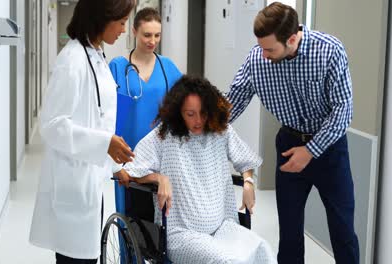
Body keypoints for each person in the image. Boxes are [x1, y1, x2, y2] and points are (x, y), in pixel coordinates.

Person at [226, 2, 359, 264]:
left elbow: (343, 110)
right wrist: (188, 124)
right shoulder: (257, 59)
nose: (262, 54)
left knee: (342, 230)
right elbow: (232, 103)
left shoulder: (329, 50)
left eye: (269, 49)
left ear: (292, 38)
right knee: (289, 233)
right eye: (261, 47)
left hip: (329, 148)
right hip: (289, 145)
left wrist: (311, 150)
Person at [118, 75, 277, 264]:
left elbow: (245, 160)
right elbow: (128, 171)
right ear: (178, 112)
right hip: (182, 234)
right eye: (190, 114)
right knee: (228, 261)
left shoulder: (221, 131)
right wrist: (160, 178)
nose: (198, 121)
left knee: (263, 250)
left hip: (222, 227)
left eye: (203, 113)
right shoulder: (163, 136)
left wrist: (249, 183)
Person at [29, 0, 136, 263]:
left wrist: (113, 165)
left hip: (88, 183)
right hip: (72, 185)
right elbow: (52, 125)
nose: (124, 30)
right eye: (121, 22)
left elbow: (97, 118)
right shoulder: (73, 60)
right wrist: (104, 143)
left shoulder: (95, 53)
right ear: (102, 18)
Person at [108, 7, 182, 216]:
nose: (152, 41)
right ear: (134, 32)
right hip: (128, 156)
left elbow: (185, 102)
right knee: (131, 216)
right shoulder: (118, 67)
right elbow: (108, 115)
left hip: (161, 155)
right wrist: (114, 162)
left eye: (157, 35)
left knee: (162, 219)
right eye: (147, 35)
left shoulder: (167, 67)